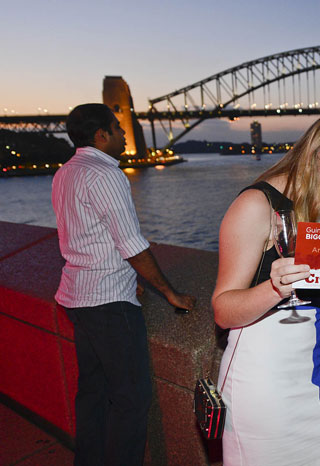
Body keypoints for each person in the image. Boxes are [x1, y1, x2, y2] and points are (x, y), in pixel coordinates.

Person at [212, 107, 320, 466]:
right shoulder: (255, 205)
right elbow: (222, 310)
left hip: (317, 359)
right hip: (263, 375)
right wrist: (274, 288)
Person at [52, 103, 196, 466]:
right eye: (118, 128)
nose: (123, 133)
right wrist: (170, 292)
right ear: (101, 135)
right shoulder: (106, 174)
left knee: (93, 392)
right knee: (131, 399)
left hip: (77, 296)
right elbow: (131, 245)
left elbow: (87, 236)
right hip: (107, 303)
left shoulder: (66, 172)